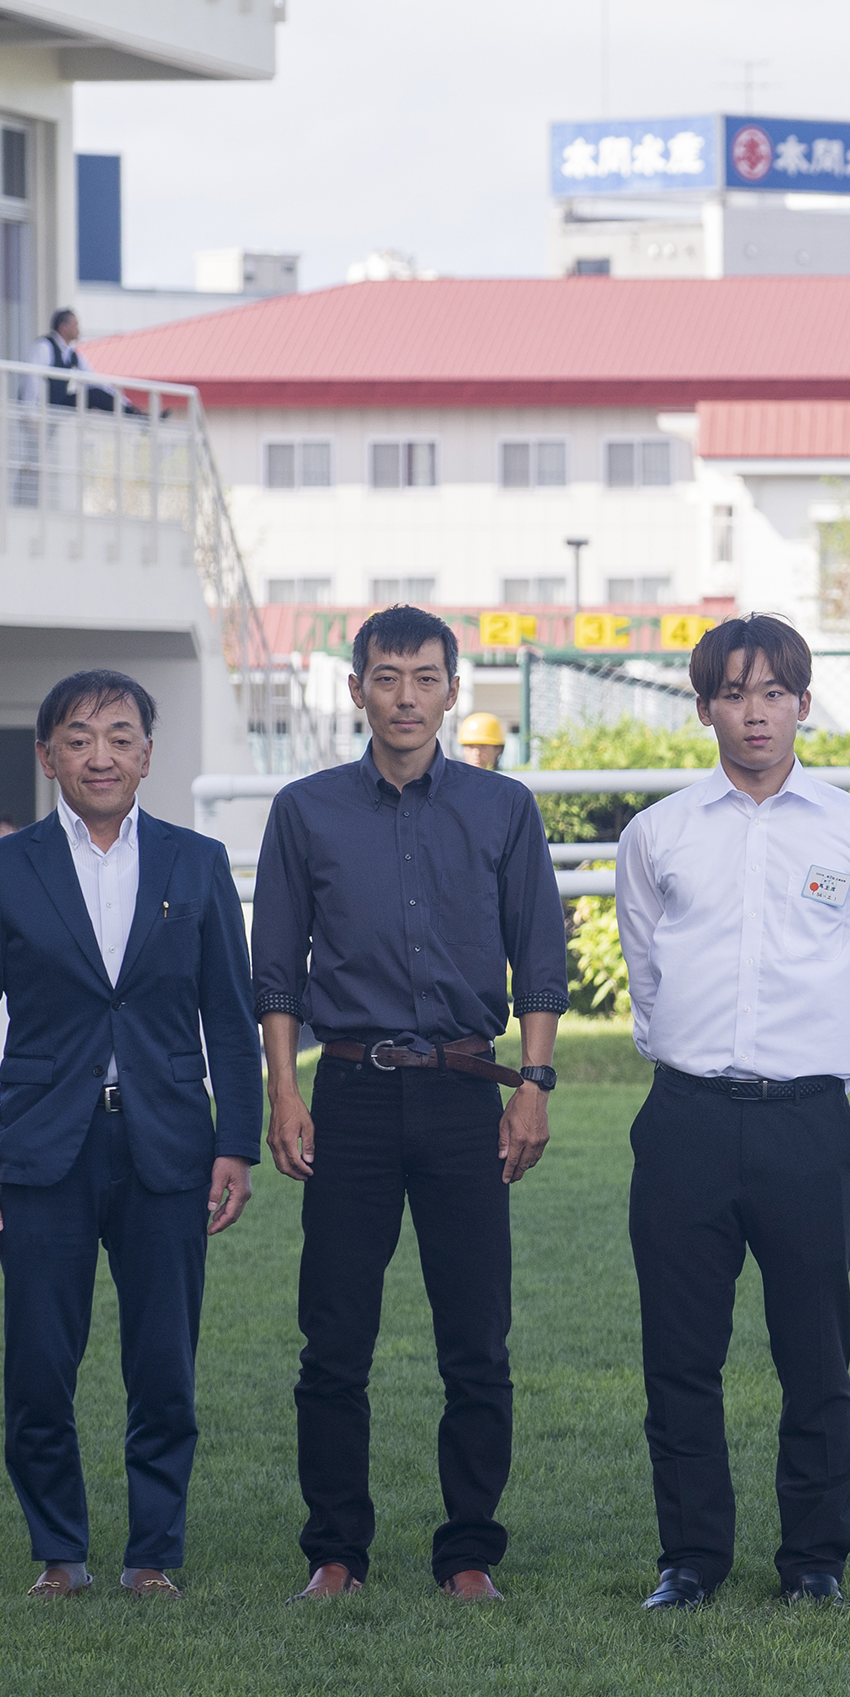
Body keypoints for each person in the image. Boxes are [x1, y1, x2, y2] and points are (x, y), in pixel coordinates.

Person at [249, 605, 567, 1606]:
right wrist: (285, 1095)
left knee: (475, 1339)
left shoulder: (502, 807)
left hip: (469, 1097)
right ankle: (335, 1551)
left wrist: (534, 1087)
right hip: (346, 1095)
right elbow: (276, 969)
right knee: (333, 1339)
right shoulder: (305, 811)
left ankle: (468, 1554)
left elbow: (541, 955)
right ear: (355, 690)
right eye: (385, 678)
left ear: (451, 690)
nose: (404, 697)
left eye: (424, 678)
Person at [612, 614, 850, 1611]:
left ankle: (814, 1559)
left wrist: (815, 1071)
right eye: (735, 694)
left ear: (802, 703)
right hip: (685, 1120)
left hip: (806, 1123)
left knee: (813, 1352)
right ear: (703, 707)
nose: (756, 712)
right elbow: (647, 979)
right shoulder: (659, 834)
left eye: (774, 693)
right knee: (679, 1354)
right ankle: (691, 1559)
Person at [0, 668, 260, 1599]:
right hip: (42, 1148)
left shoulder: (195, 863)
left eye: (121, 736)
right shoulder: (2, 869)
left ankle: (153, 1553)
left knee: (164, 1365)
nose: (101, 754)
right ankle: (59, 1551)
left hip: (168, 1145)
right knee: (41, 1366)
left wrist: (234, 1141)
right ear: (48, 755)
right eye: (79, 737)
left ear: (149, 754)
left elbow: (230, 1019)